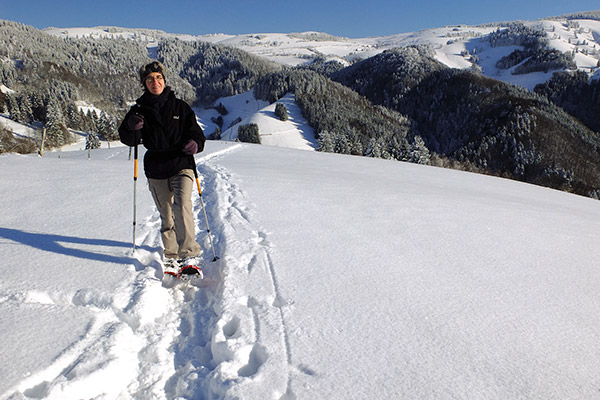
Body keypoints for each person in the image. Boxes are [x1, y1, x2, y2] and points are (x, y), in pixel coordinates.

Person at [119, 61, 206, 277]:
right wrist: (131, 127)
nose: (154, 82)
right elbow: (128, 138)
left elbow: (197, 135)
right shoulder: (138, 110)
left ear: (164, 80)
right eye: (150, 79)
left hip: (181, 163)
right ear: (144, 83)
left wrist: (195, 144)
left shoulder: (180, 107)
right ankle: (172, 255)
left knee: (182, 205)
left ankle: (189, 256)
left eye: (158, 77)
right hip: (156, 167)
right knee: (166, 214)